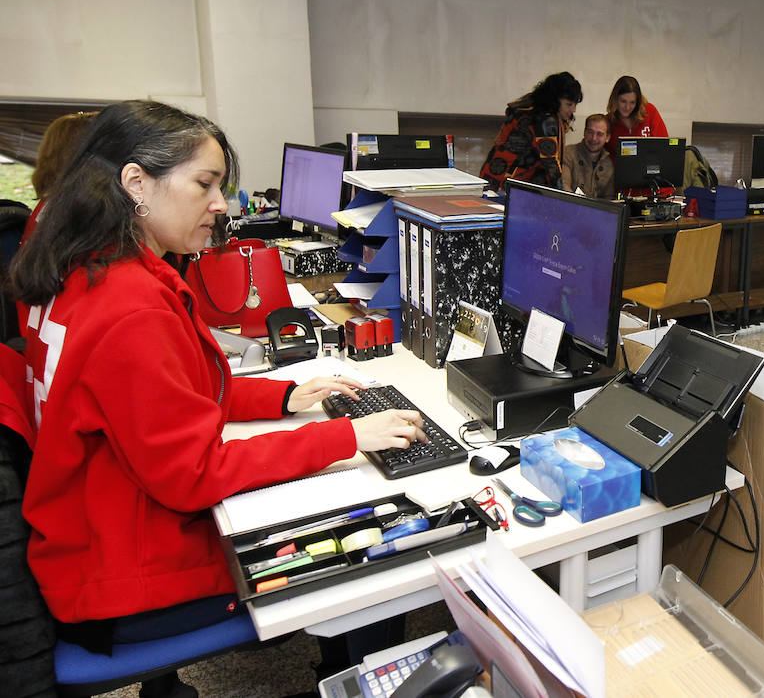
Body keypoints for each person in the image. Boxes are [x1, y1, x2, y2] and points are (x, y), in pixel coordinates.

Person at [7, 100, 425, 696]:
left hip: (92, 545)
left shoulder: (85, 271)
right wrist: (347, 436)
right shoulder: (130, 306)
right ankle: (354, 681)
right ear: (136, 184)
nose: (221, 205)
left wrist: (284, 399)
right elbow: (194, 474)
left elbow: (170, 395)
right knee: (378, 544)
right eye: (205, 184)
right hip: (127, 583)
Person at [480, 71, 582, 190]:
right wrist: (563, 196)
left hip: (495, 176)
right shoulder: (545, 120)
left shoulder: (530, 109)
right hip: (506, 182)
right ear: (555, 100)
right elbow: (551, 163)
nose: (573, 110)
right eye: (569, 104)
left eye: (575, 105)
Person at [605, 75, 668, 157]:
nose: (627, 107)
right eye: (623, 101)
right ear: (615, 99)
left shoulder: (649, 111)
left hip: (650, 166)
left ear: (638, 102)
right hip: (619, 168)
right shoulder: (608, 121)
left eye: (632, 102)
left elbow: (664, 145)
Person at [562, 113, 616, 199]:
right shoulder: (568, 153)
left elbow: (609, 199)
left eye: (599, 134)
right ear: (584, 132)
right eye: (590, 132)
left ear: (607, 138)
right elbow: (564, 186)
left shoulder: (609, 164)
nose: (594, 138)